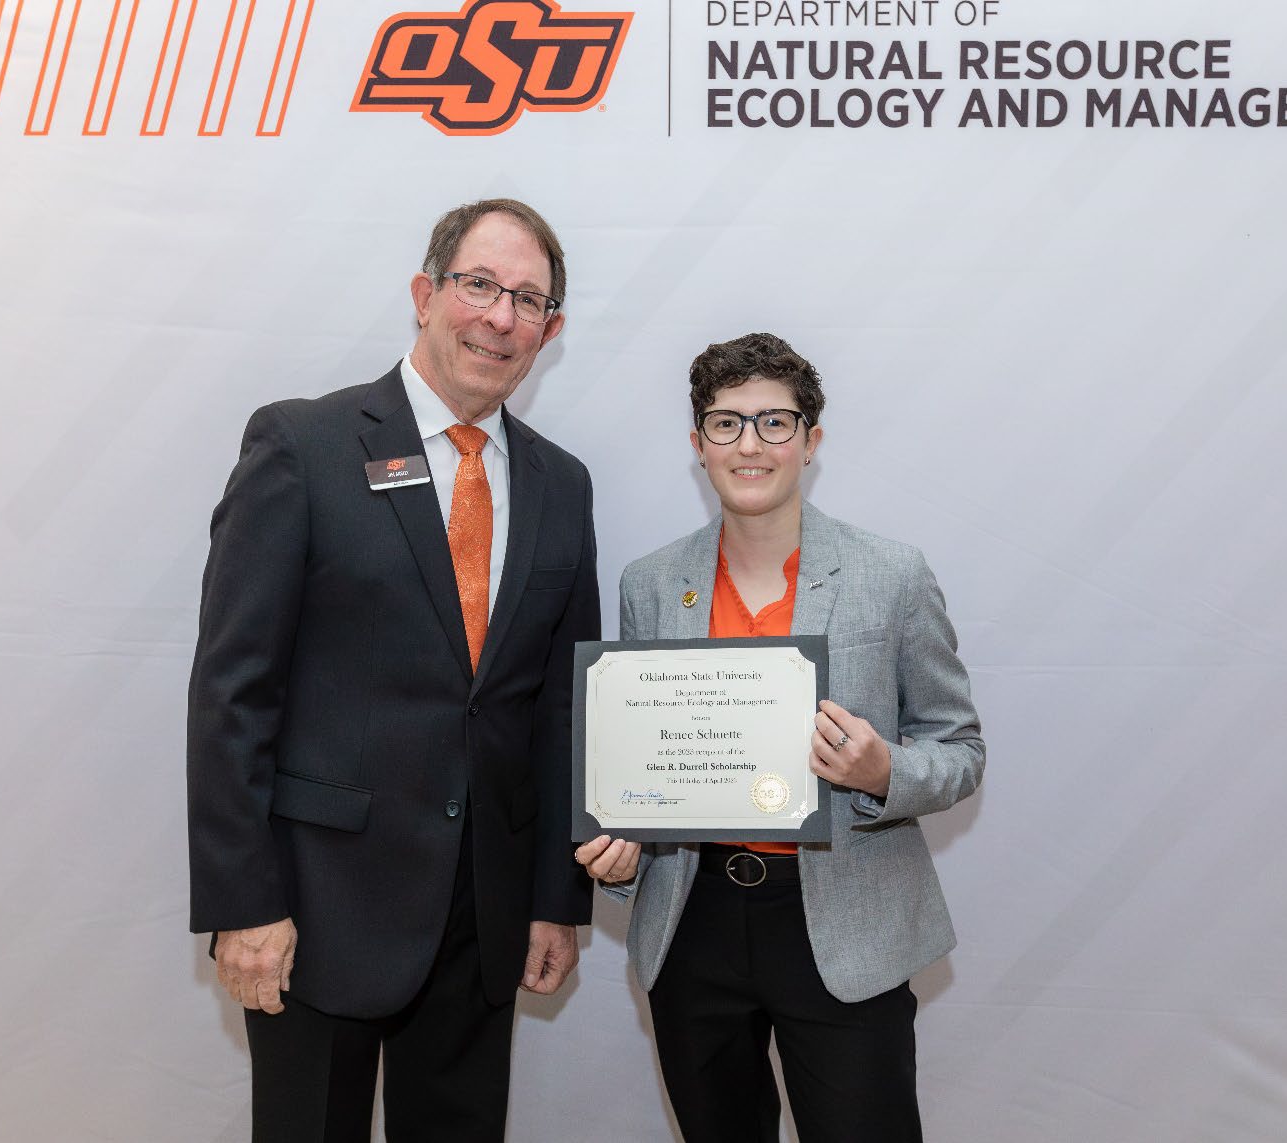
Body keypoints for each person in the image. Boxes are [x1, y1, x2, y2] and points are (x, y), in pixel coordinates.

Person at [187, 198, 600, 1142]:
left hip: (483, 915)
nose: (500, 316)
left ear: (550, 330)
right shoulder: (303, 445)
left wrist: (552, 898)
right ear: (426, 293)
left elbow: (559, 710)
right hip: (316, 909)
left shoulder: (560, 484)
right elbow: (231, 694)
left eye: (527, 299)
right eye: (480, 285)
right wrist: (244, 903)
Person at [577, 332, 984, 1142]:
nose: (750, 444)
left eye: (773, 422)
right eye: (726, 424)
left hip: (842, 920)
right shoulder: (650, 584)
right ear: (698, 445)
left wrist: (881, 770)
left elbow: (958, 747)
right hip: (691, 918)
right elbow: (630, 759)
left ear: (810, 441)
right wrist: (617, 845)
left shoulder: (892, 574)